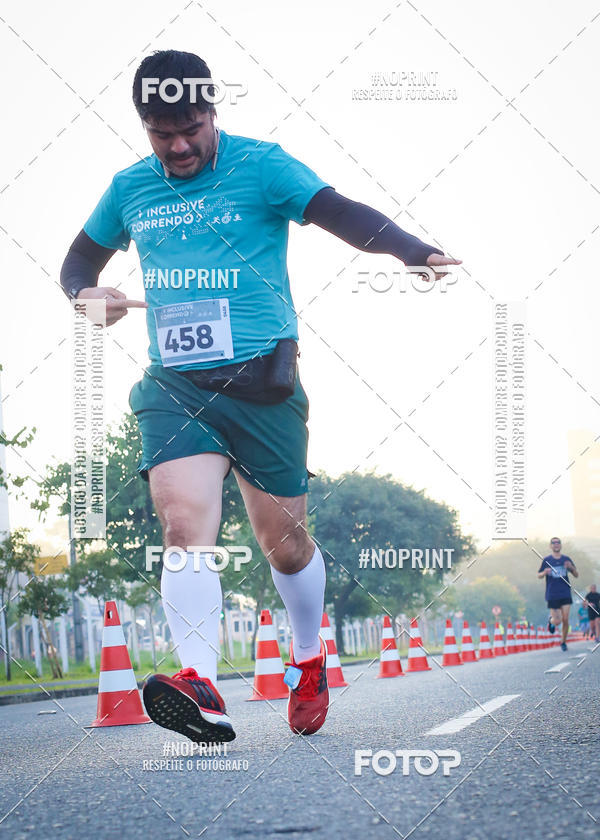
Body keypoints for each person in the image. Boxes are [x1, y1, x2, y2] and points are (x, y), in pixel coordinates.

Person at [60, 50, 459, 744]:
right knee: (182, 525)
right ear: (143, 126)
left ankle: (309, 658)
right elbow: (77, 264)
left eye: (191, 127)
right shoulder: (129, 189)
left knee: (285, 545)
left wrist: (411, 250)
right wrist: (84, 295)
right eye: (163, 133)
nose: (179, 145)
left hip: (263, 383)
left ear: (213, 112)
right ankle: (201, 683)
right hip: (174, 386)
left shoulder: (261, 166)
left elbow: (339, 212)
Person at [537, 537, 578, 651]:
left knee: (565, 619)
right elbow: (539, 575)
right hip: (552, 594)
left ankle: (563, 642)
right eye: (553, 543)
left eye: (558, 542)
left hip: (565, 592)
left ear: (560, 545)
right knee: (557, 621)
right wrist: (545, 572)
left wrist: (570, 567)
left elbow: (576, 574)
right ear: (550, 546)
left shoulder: (566, 559)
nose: (556, 544)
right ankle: (551, 621)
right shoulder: (546, 560)